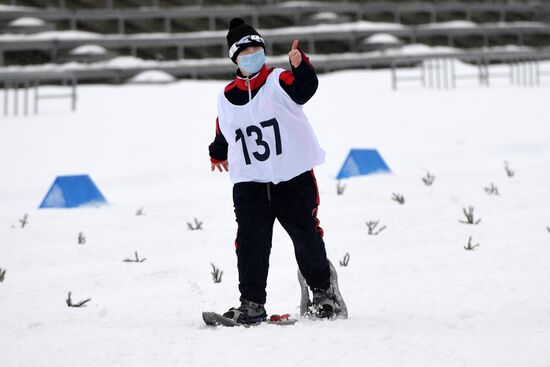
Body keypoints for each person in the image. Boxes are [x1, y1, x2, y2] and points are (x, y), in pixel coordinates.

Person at [208, 18, 344, 324]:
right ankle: (252, 302)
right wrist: (217, 151)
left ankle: (323, 292)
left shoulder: (278, 80)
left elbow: (304, 89)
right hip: (251, 182)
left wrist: (302, 66)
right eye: (246, 51)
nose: (253, 55)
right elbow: (225, 128)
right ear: (236, 58)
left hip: (291, 177)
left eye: (257, 49)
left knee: (305, 236)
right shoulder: (226, 96)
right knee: (251, 243)